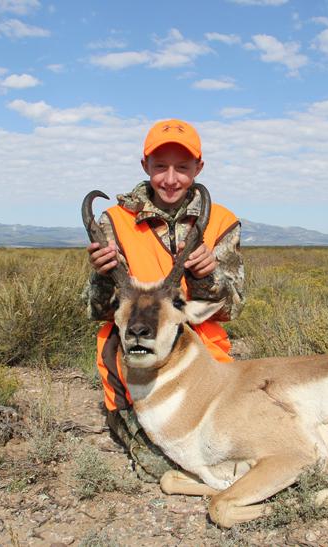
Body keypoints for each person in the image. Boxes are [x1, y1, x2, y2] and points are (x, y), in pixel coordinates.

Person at [83, 119, 245, 481]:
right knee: (170, 466)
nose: (170, 179)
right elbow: (97, 310)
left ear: (198, 168)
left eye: (182, 168)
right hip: (137, 368)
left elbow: (232, 307)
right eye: (160, 167)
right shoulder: (113, 222)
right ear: (145, 166)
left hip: (207, 374)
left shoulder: (221, 222)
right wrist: (100, 275)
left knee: (233, 458)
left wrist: (207, 276)